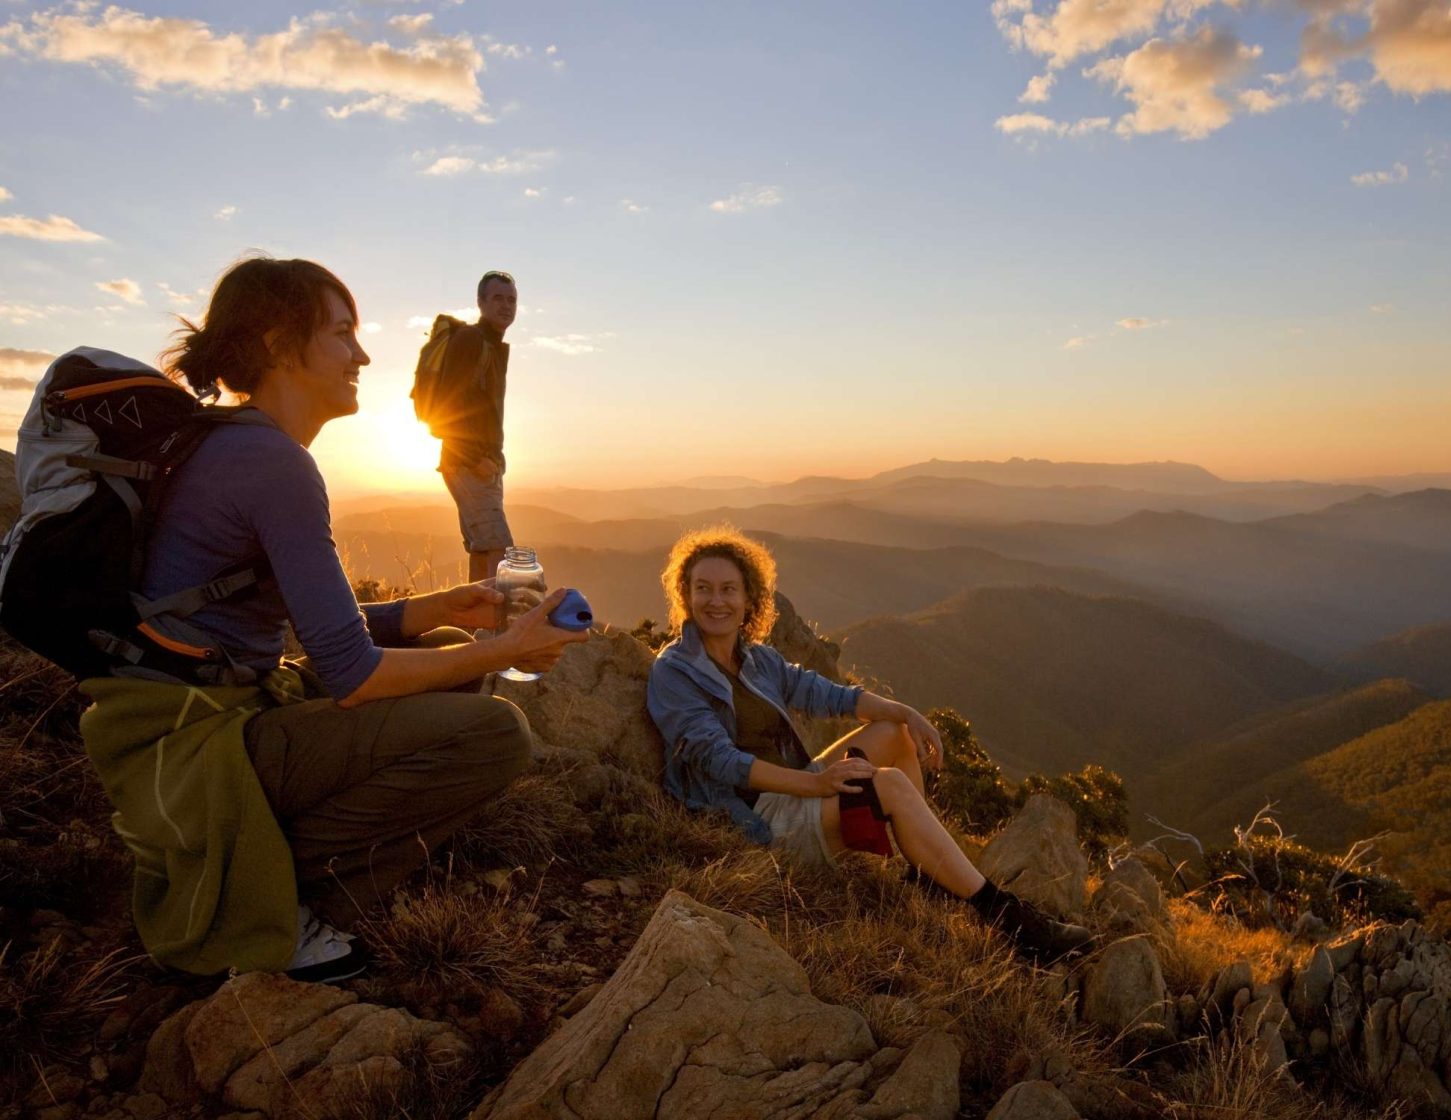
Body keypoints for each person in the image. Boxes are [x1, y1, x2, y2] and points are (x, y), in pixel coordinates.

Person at [77, 256, 586, 984]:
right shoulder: (271, 462)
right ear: (281, 344)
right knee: (497, 733)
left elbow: (319, 629)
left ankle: (300, 853)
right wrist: (505, 648)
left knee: (444, 645)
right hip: (198, 745)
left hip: (198, 717)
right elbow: (352, 674)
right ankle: (282, 896)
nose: (363, 355)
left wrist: (439, 607)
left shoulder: (233, 444)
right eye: (343, 333)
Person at [645, 526, 1093, 966]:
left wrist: (905, 713)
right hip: (754, 819)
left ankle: (929, 874)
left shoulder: (756, 659)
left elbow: (825, 694)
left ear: (748, 599)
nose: (716, 601)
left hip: (792, 791)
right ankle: (1007, 919)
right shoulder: (676, 672)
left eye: (728, 589)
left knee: (893, 733)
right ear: (686, 595)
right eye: (703, 589)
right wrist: (816, 784)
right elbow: (718, 760)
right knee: (891, 785)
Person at [436, 270, 519, 582]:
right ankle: (497, 612)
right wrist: (473, 458)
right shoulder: (471, 340)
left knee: (482, 549)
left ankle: (478, 613)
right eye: (498, 298)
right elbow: (445, 404)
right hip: (468, 463)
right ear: (481, 302)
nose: (506, 306)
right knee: (499, 547)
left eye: (511, 300)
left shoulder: (491, 345)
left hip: (482, 463)